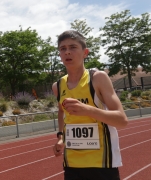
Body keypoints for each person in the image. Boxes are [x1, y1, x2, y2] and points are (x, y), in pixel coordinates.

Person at [52, 30, 128, 180]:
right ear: (59, 54)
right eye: (63, 49)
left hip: (101, 162)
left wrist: (87, 109)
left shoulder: (97, 78)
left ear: (85, 52)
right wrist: (61, 137)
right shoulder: (58, 86)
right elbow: (62, 112)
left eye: (73, 47)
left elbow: (122, 120)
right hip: (72, 162)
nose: (67, 52)